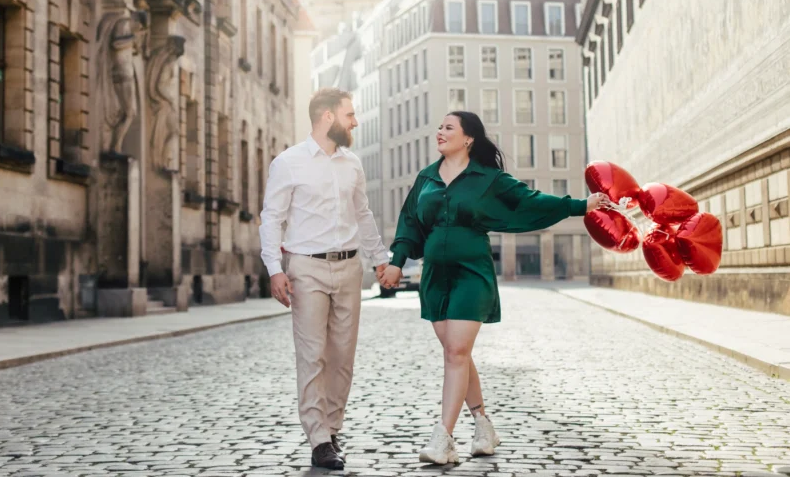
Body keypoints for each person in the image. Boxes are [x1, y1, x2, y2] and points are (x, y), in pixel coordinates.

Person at [379, 110, 607, 464]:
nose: (439, 131)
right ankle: (483, 425)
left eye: (448, 127)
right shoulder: (426, 177)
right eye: (439, 126)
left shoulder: (489, 178)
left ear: (468, 138)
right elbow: (409, 221)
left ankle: (443, 439)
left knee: (455, 352)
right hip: (435, 276)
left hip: (472, 272)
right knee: (458, 353)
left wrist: (580, 205)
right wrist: (396, 263)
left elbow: (529, 201)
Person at [259, 88, 388, 471]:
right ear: (327, 117)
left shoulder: (352, 164)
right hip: (306, 268)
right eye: (349, 114)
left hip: (350, 267)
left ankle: (332, 429)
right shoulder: (288, 162)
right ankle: (319, 439)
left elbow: (362, 214)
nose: (355, 122)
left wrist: (379, 259)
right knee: (312, 354)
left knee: (343, 357)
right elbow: (272, 218)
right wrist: (274, 268)